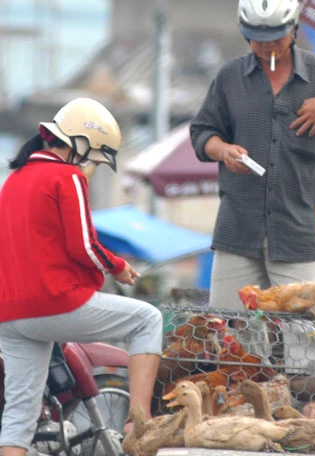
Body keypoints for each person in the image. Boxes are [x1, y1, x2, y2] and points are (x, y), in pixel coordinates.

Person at [190, 0, 315, 418]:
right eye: (258, 40)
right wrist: (222, 149)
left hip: (301, 232)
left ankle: (307, 424)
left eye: (277, 39)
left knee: (309, 346)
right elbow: (202, 131)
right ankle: (241, 422)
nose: (268, 48)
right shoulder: (230, 76)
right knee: (232, 338)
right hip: (238, 230)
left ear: (295, 29)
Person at [0, 97, 163, 456]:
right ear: (80, 143)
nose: (91, 164)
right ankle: (141, 423)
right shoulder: (67, 175)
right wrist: (118, 266)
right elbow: (84, 246)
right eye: (93, 155)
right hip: (53, 301)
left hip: (10, 314)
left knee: (18, 418)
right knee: (147, 319)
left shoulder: (14, 179)